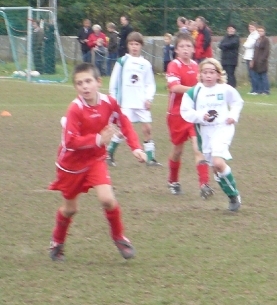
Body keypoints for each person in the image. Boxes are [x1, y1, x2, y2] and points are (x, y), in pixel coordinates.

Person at [47, 63, 147, 261]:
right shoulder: (75, 109)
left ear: (98, 83)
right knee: (70, 209)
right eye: (79, 83)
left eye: (88, 81)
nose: (84, 86)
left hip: (95, 160)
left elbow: (124, 122)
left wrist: (135, 147)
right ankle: (57, 242)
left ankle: (119, 237)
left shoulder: (109, 103)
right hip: (71, 165)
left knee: (107, 199)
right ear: (76, 87)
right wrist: (99, 139)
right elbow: (70, 141)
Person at [181, 58, 244, 211]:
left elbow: (237, 102)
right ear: (200, 74)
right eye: (205, 72)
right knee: (216, 168)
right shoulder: (194, 92)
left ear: (218, 74)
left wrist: (233, 116)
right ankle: (231, 195)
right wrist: (200, 116)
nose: (208, 75)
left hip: (223, 128)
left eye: (212, 72)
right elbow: (185, 112)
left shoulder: (225, 89)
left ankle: (234, 196)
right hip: (205, 133)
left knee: (218, 163)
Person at [165, 32, 214, 197]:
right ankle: (173, 181)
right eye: (182, 46)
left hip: (194, 114)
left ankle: (204, 185)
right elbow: (175, 88)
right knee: (178, 150)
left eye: (188, 46)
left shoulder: (196, 66)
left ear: (193, 49)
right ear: (176, 50)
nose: (185, 49)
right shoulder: (174, 65)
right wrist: (197, 90)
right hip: (177, 114)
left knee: (198, 147)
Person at [107, 32, 160, 167]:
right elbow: (114, 82)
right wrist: (114, 100)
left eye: (137, 44)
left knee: (147, 128)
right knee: (123, 131)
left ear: (141, 46)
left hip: (141, 102)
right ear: (128, 46)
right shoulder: (122, 61)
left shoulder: (146, 64)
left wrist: (149, 98)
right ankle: (109, 153)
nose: (134, 47)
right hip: (126, 103)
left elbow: (150, 84)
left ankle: (151, 158)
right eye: (131, 44)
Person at [252, 25, 271, 95]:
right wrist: (253, 60)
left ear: (264, 32)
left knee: (264, 76)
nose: (260, 32)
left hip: (262, 61)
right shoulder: (257, 40)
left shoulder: (266, 40)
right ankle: (259, 90)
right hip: (256, 61)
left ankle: (266, 90)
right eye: (259, 31)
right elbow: (255, 50)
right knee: (258, 76)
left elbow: (267, 51)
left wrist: (262, 59)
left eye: (261, 31)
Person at [243, 22, 260, 94]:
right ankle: (253, 89)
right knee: (250, 74)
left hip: (252, 57)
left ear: (255, 27)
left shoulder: (256, 35)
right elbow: (246, 44)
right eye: (249, 27)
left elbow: (249, 45)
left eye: (252, 27)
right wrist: (246, 44)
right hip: (248, 56)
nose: (250, 28)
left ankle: (256, 90)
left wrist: (246, 45)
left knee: (253, 74)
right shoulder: (251, 35)